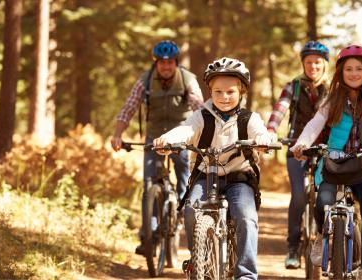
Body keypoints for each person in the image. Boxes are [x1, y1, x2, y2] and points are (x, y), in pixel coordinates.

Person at [153, 57, 275, 280]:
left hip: (239, 178)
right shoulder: (202, 117)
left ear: (241, 92)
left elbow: (261, 133)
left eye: (230, 92)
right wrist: (166, 140)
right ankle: (199, 261)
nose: (224, 97)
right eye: (217, 92)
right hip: (205, 176)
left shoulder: (249, 118)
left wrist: (264, 141)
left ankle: (246, 274)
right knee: (191, 209)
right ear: (209, 91)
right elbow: (185, 130)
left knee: (246, 217)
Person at [290, 45, 362, 280]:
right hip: (333, 164)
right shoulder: (331, 101)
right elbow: (314, 125)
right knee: (323, 202)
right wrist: (301, 144)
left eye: (359, 68)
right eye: (348, 68)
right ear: (340, 72)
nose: (353, 73)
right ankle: (321, 237)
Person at [110, 40, 203, 255]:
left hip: (181, 134)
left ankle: (181, 215)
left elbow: (199, 107)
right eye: (162, 63)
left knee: (184, 175)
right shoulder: (145, 80)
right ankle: (148, 238)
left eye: (170, 62)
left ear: (176, 62)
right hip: (154, 136)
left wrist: (204, 135)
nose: (166, 66)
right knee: (149, 183)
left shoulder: (188, 79)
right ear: (156, 63)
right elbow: (128, 108)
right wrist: (117, 134)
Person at [266, 41, 330, 269]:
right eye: (309, 62)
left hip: (325, 148)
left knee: (326, 196)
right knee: (299, 196)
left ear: (325, 64)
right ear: (303, 64)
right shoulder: (293, 86)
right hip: (295, 147)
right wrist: (272, 129)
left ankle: (327, 240)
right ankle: (293, 247)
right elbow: (280, 109)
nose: (313, 66)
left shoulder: (333, 88)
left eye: (317, 62)